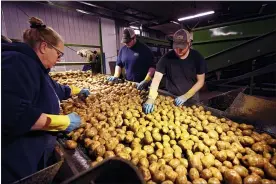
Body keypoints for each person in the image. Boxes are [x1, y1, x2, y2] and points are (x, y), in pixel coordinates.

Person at [2, 17, 90, 183]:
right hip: (15, 168)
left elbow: (54, 89)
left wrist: (76, 91)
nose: (59, 59)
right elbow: (10, 112)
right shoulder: (16, 62)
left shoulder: (36, 66)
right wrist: (62, 121)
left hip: (31, 161)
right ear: (44, 47)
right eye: (59, 54)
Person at [143, 29, 207, 114]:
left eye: (182, 48)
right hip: (171, 97)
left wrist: (185, 96)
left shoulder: (197, 58)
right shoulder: (166, 58)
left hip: (191, 97)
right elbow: (156, 79)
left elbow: (200, 81)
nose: (178, 51)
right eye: (176, 47)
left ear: (189, 43)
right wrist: (151, 98)